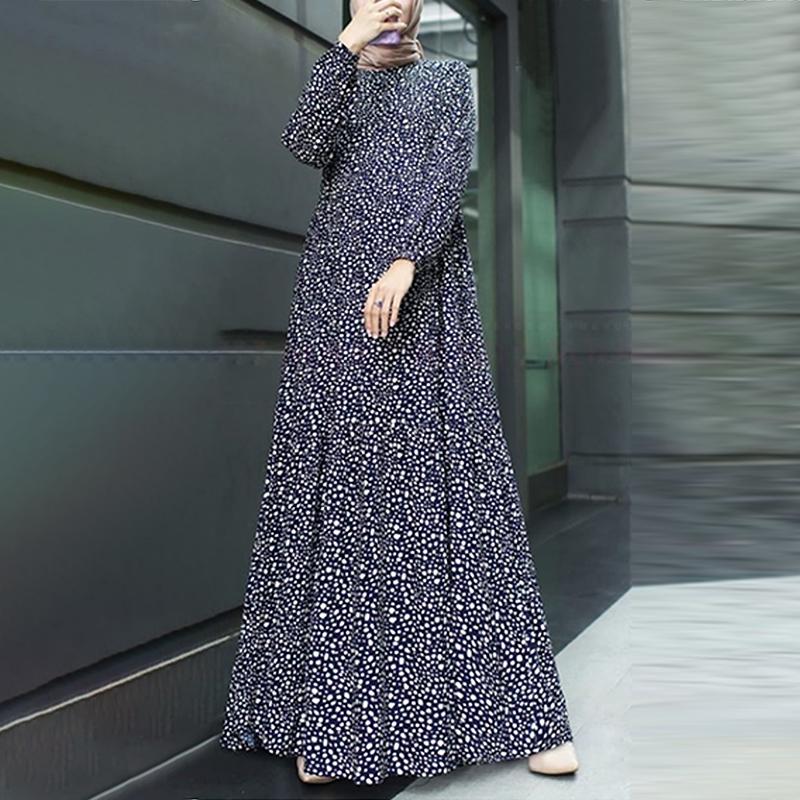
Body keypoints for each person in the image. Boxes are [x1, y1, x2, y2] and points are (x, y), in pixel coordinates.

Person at [219, 0, 580, 786]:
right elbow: (304, 143)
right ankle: (331, 724)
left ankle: (522, 715)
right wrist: (344, 51)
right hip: (337, 300)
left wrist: (407, 260)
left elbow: (447, 176)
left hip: (424, 299)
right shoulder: (341, 77)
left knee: (454, 490)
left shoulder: (447, 80)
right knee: (345, 495)